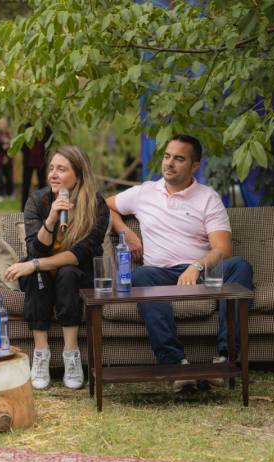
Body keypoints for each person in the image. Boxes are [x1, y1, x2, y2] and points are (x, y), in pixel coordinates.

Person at [104, 134, 254, 392]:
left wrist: (196, 267)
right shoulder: (144, 193)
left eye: (179, 158)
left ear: (195, 165)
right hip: (159, 274)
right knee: (141, 277)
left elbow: (223, 249)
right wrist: (124, 231)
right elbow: (103, 206)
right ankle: (175, 365)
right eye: (166, 156)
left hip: (202, 272)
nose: (169, 163)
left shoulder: (207, 197)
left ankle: (225, 359)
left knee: (240, 266)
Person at [4, 146, 109, 390]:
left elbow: (79, 255)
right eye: (51, 168)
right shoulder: (38, 201)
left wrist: (34, 264)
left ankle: (70, 355)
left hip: (78, 273)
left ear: (79, 175)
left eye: (61, 169)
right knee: (37, 275)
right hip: (42, 273)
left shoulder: (96, 205)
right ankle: (41, 355)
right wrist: (51, 218)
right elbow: (35, 250)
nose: (53, 174)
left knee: (66, 273)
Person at [21, 125, 52, 211]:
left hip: (41, 161)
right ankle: (23, 209)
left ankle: (42, 209)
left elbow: (50, 142)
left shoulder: (45, 127)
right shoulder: (26, 126)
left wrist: (46, 156)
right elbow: (21, 143)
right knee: (25, 186)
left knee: (42, 186)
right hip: (28, 161)